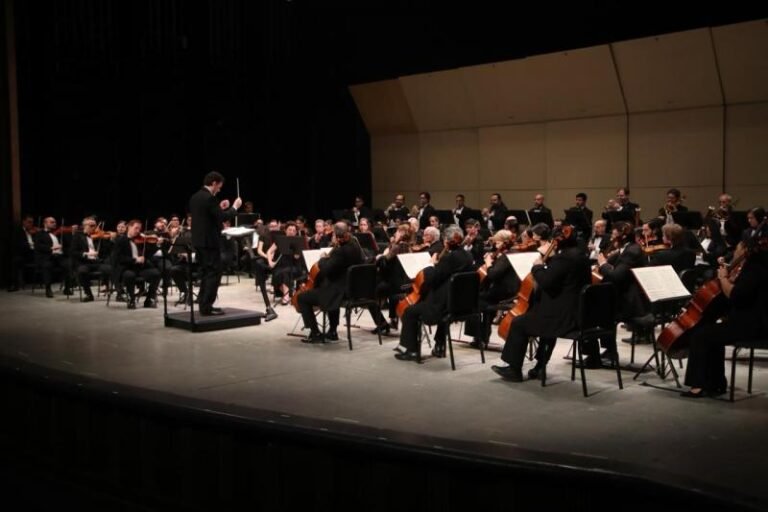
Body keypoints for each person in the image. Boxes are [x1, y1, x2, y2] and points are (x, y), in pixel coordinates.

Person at [491, 225, 591, 381]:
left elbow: (546, 282)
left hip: (562, 317)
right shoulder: (581, 256)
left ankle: (514, 369)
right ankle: (539, 367)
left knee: (518, 323)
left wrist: (537, 266)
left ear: (558, 241)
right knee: (539, 320)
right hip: (577, 313)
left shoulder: (563, 257)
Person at [682, 239, 768, 398]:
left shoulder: (753, 271)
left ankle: (699, 386)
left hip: (751, 326)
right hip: (753, 323)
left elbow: (735, 296)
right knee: (711, 334)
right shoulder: (758, 268)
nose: (734, 252)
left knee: (700, 335)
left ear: (745, 252)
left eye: (737, 248)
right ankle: (715, 383)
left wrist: (723, 278)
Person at [393, 225, 474, 361]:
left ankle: (411, 350)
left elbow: (432, 279)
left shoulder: (449, 258)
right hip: (460, 305)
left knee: (409, 312)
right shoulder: (468, 256)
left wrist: (431, 265)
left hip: (441, 307)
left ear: (446, 241)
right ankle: (440, 346)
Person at [297, 222, 364, 343]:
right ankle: (332, 331)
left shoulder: (340, 251)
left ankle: (315, 333)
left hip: (337, 292)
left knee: (302, 298)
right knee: (327, 287)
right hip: (352, 289)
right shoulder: (354, 245)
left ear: (335, 233)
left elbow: (326, 270)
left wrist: (323, 258)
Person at [188, 171, 242, 316]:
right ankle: (207, 307)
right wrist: (235, 207)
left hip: (198, 242)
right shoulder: (210, 198)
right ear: (214, 183)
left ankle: (203, 304)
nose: (220, 189)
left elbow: (208, 215)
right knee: (213, 273)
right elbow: (222, 217)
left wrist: (220, 206)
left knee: (205, 272)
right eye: (219, 186)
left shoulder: (195, 197)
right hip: (210, 242)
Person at [114, 220, 162, 309]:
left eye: (139, 229)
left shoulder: (141, 240)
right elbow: (119, 258)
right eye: (136, 228)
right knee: (129, 275)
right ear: (129, 227)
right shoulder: (120, 240)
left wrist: (157, 245)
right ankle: (131, 299)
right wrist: (135, 260)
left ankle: (149, 299)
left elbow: (149, 253)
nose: (138, 231)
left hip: (140, 268)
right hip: (127, 268)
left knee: (156, 274)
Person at [71, 217, 112, 302]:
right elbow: (73, 252)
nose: (94, 227)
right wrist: (86, 254)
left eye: (95, 225)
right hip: (83, 262)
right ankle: (88, 294)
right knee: (82, 271)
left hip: (95, 262)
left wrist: (108, 239)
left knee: (110, 269)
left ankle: (116, 292)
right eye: (92, 225)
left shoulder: (96, 237)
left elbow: (105, 250)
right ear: (84, 226)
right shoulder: (77, 236)